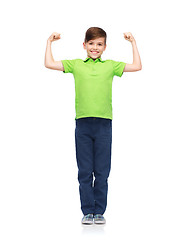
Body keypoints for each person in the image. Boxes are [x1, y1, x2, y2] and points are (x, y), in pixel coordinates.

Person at [44, 27, 142, 225]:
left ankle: (99, 211)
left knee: (103, 171)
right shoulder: (77, 64)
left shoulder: (110, 66)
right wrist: (49, 42)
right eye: (91, 44)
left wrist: (133, 42)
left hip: (104, 124)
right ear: (84, 45)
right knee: (85, 171)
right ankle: (87, 211)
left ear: (105, 47)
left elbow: (137, 66)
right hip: (83, 124)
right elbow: (49, 63)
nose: (95, 48)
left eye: (99, 44)